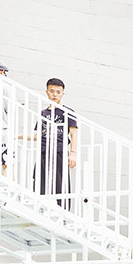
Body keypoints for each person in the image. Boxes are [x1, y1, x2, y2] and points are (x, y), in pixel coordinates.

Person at [34, 77, 79, 208]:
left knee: (61, 182)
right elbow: (38, 135)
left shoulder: (67, 111)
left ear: (62, 94)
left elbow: (73, 133)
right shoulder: (43, 113)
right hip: (43, 151)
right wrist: (17, 136)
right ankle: (41, 208)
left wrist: (73, 153)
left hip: (59, 150)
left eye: (58, 92)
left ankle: (64, 211)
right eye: (52, 91)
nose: (55, 94)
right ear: (47, 92)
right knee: (40, 181)